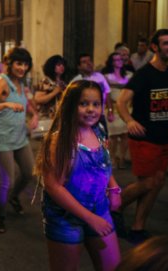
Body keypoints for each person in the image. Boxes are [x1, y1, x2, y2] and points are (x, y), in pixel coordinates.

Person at [35, 80, 122, 271]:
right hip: (65, 218)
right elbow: (53, 187)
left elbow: (102, 164)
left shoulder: (98, 131)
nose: (91, 109)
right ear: (70, 105)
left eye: (96, 104)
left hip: (99, 209)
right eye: (83, 104)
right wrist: (90, 218)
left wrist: (113, 187)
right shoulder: (61, 141)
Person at [116, 29, 168, 244]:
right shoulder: (144, 74)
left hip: (163, 138)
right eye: (167, 43)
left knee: (157, 183)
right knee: (148, 183)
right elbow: (121, 101)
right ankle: (113, 207)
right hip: (144, 139)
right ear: (155, 48)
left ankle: (138, 227)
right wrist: (130, 121)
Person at [0, 47, 39, 233]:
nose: (22, 67)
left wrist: (34, 116)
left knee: (29, 173)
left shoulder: (23, 84)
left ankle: (13, 197)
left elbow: (27, 104)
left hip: (19, 136)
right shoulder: (3, 82)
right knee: (8, 180)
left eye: (25, 64)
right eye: (18, 63)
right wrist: (6, 104)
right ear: (10, 64)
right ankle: (0, 216)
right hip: (2, 138)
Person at [101, 52, 133, 169]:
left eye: (120, 59)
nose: (118, 61)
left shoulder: (129, 75)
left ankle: (122, 157)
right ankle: (113, 157)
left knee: (125, 135)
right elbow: (107, 95)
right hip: (113, 108)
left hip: (126, 108)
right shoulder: (107, 76)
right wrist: (109, 110)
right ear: (111, 62)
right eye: (115, 60)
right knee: (113, 136)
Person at [34, 55, 68, 119]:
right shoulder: (45, 81)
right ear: (52, 66)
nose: (62, 67)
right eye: (58, 65)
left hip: (60, 117)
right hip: (47, 117)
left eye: (63, 65)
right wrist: (54, 93)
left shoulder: (63, 83)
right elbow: (38, 100)